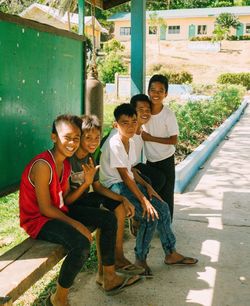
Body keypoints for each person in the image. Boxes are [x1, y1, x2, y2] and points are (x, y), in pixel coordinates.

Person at [19, 114, 140, 306]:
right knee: (81, 244)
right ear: (53, 137)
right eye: (67, 137)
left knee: (108, 219)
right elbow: (45, 208)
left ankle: (108, 277)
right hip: (39, 220)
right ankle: (59, 298)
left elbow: (66, 200)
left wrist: (86, 184)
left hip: (60, 212)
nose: (73, 143)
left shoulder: (65, 163)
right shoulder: (43, 165)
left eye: (76, 138)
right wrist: (76, 225)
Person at [99, 104, 198, 278]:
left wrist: (148, 187)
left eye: (133, 122)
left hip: (125, 182)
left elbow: (132, 171)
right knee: (149, 215)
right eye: (125, 123)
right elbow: (124, 177)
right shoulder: (115, 143)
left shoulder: (129, 139)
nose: (130, 126)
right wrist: (144, 201)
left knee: (163, 208)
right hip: (113, 185)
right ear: (116, 125)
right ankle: (140, 259)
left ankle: (170, 253)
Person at [67, 114, 144, 278]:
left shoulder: (89, 157)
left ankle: (118, 257)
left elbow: (97, 187)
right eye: (88, 137)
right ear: (79, 137)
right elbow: (67, 200)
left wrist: (123, 198)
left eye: (97, 137)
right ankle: (107, 273)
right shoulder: (69, 160)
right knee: (107, 219)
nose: (93, 142)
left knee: (118, 206)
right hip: (69, 207)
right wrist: (85, 184)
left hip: (83, 200)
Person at [143, 74, 179, 221]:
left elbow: (174, 140)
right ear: (148, 91)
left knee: (167, 194)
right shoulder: (144, 112)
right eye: (153, 90)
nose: (156, 94)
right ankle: (153, 220)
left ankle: (167, 224)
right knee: (152, 192)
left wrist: (150, 138)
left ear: (166, 94)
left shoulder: (168, 115)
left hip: (166, 160)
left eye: (160, 91)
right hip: (151, 160)